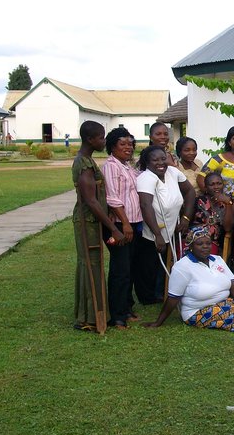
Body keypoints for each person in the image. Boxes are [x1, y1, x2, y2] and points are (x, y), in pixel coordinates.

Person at [143, 228, 234, 332]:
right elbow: (173, 298)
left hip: (224, 302)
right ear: (190, 247)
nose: (205, 247)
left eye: (208, 243)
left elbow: (233, 283)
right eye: (200, 244)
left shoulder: (217, 259)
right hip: (198, 311)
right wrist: (158, 322)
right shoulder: (182, 267)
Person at [72, 121, 124, 332]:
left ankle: (96, 313)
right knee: (90, 265)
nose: (104, 141)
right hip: (88, 223)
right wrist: (113, 228)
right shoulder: (83, 164)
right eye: (101, 137)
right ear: (90, 139)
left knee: (94, 266)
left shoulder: (89, 161)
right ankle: (88, 317)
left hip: (94, 222)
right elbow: (91, 201)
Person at [135, 145, 195, 304]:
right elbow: (146, 205)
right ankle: (147, 297)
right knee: (149, 263)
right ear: (147, 162)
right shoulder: (146, 178)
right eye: (155, 160)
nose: (160, 163)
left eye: (163, 159)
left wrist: (186, 218)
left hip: (171, 227)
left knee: (166, 261)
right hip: (151, 230)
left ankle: (161, 291)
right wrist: (157, 235)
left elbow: (190, 192)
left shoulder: (173, 172)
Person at [101, 127, 142, 328]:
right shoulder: (111, 166)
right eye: (123, 144)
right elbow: (112, 198)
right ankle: (117, 315)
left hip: (134, 223)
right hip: (118, 225)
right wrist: (124, 223)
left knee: (130, 268)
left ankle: (126, 308)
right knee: (120, 269)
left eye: (130, 144)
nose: (128, 147)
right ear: (112, 146)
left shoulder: (127, 166)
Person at [190, 172, 234, 255]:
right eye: (212, 184)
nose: (216, 187)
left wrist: (228, 204)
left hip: (213, 241)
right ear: (206, 187)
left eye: (219, 184)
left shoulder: (230, 201)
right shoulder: (198, 201)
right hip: (194, 238)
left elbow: (228, 228)